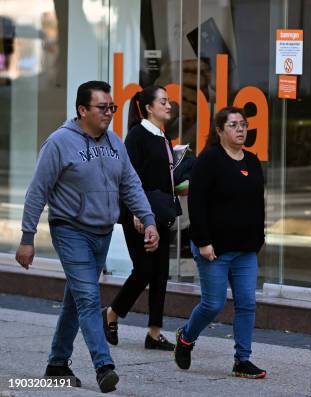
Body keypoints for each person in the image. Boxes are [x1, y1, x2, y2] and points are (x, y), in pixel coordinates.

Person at [15, 80, 160, 393]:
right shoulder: (59, 143)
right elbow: (37, 192)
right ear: (82, 110)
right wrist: (27, 238)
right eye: (102, 107)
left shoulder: (114, 143)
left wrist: (148, 219)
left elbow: (130, 184)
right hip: (70, 230)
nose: (109, 113)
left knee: (76, 299)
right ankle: (103, 365)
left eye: (112, 107)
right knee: (89, 298)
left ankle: (56, 364)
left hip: (102, 232)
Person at [174, 106, 266, 379]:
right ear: (219, 131)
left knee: (247, 303)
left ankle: (242, 360)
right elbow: (197, 203)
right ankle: (186, 338)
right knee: (213, 304)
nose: (240, 129)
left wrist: (258, 238)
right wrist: (203, 241)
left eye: (244, 124)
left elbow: (257, 204)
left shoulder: (252, 161)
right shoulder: (209, 160)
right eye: (233, 125)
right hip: (213, 248)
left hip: (245, 250)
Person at [102, 85, 176, 351]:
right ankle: (111, 314)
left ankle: (154, 333)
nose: (169, 106)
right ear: (148, 108)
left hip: (162, 213)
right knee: (145, 269)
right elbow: (127, 178)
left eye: (169, 102)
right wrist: (136, 212)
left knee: (160, 274)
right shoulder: (137, 136)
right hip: (139, 215)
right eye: (163, 101)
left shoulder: (163, 137)